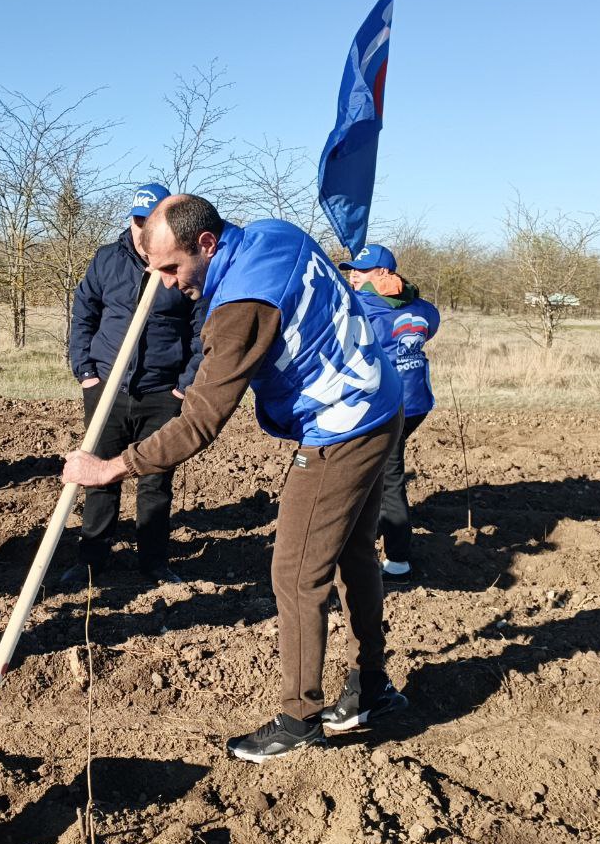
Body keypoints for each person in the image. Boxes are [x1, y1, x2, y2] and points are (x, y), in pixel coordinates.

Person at [63, 195, 407, 764]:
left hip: (341, 424)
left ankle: (300, 718)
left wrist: (110, 467)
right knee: (353, 555)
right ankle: (372, 686)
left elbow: (198, 422)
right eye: (154, 271)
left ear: (206, 243)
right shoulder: (274, 233)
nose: (167, 285)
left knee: (296, 573)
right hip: (378, 399)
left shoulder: (240, 307)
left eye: (171, 269)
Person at [60, 183, 205, 586]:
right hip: (106, 388)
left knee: (155, 479)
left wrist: (182, 387)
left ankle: (154, 563)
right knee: (97, 478)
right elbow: (83, 313)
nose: (143, 230)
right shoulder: (108, 260)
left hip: (161, 392)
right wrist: (85, 372)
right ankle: (90, 562)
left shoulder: (183, 266)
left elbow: (201, 332)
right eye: (137, 221)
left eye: (150, 221)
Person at [340, 244, 441, 584]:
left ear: (384, 273)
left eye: (363, 270)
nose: (354, 274)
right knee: (380, 467)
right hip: (418, 402)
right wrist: (404, 293)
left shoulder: (362, 305)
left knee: (388, 474)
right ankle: (370, 532)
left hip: (387, 404)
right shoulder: (422, 309)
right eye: (352, 269)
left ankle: (398, 560)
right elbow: (432, 318)